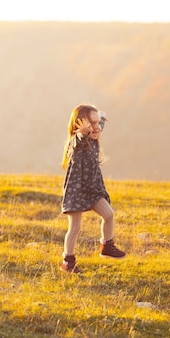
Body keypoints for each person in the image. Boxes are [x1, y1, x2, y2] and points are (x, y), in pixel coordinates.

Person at [60, 104, 126, 273]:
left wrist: (100, 116)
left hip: (93, 189)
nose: (97, 127)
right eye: (92, 124)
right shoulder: (77, 142)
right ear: (79, 125)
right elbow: (78, 139)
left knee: (109, 214)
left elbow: (99, 124)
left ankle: (107, 246)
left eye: (98, 123)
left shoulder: (95, 133)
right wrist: (82, 132)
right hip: (77, 190)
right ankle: (68, 261)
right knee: (75, 227)